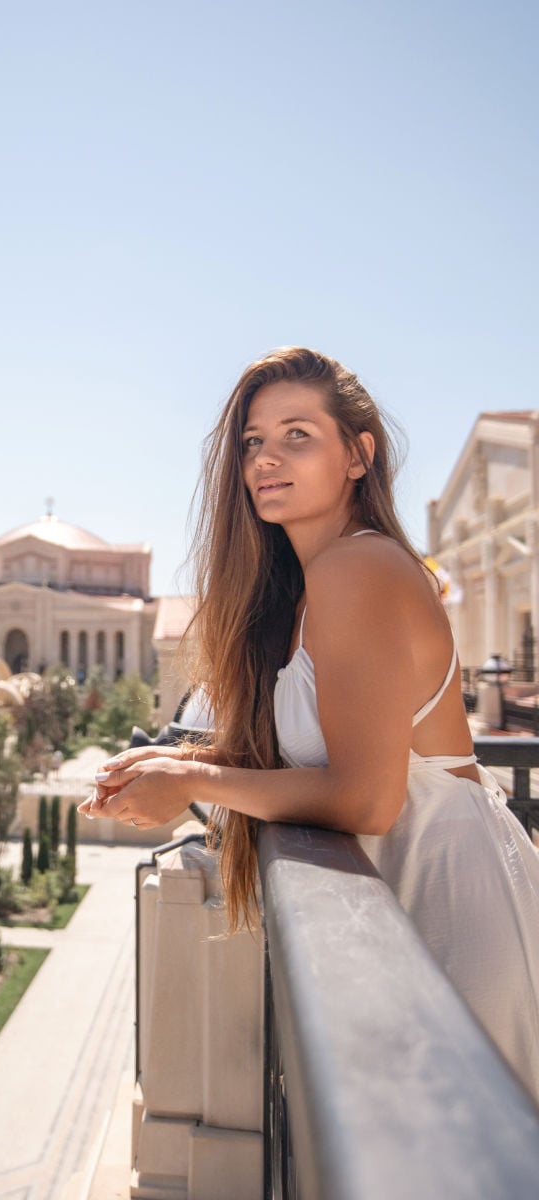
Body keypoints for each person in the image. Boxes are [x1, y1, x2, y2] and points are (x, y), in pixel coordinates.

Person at [82, 346, 539, 1101]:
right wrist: (172, 767)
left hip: (449, 903)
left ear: (358, 455)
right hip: (406, 896)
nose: (266, 458)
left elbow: (366, 800)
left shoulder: (359, 568)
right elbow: (322, 754)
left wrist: (194, 780)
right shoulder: (308, 587)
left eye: (298, 435)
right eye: (253, 441)